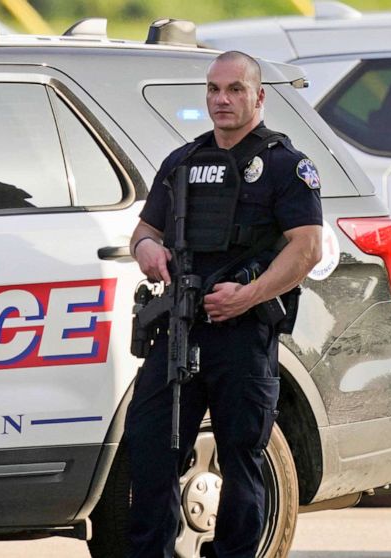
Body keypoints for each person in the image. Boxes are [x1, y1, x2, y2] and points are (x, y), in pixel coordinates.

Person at [126, 51, 323, 558]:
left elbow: (307, 247)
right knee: (151, 449)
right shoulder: (184, 161)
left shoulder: (284, 165)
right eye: (214, 89)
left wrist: (247, 296)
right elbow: (145, 230)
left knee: (241, 460)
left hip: (243, 334)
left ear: (259, 96)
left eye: (235, 89)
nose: (222, 99)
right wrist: (146, 248)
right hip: (180, 327)